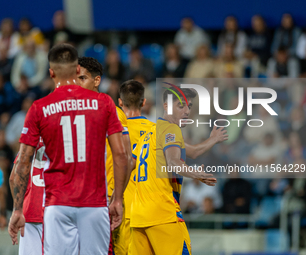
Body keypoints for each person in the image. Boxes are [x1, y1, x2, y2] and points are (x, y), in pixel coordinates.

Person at [8, 44, 128, 255]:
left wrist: (18, 209)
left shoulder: (39, 107)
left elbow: (23, 162)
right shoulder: (103, 103)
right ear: (76, 70)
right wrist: (117, 199)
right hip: (94, 203)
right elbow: (121, 155)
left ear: (51, 72)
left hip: (57, 205)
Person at [129, 87, 223, 254]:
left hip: (138, 217)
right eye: (181, 106)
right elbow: (173, 162)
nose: (187, 111)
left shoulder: (149, 134)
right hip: (163, 214)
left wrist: (213, 139)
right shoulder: (171, 129)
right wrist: (197, 175)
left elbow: (192, 152)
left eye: (189, 106)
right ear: (166, 106)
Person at [77, 56, 133, 255]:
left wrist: (116, 196)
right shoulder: (74, 114)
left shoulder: (113, 113)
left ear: (97, 81)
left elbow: (128, 159)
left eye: (82, 78)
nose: (77, 84)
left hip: (103, 200)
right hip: (77, 199)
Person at [115, 80, 154, 254]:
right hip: (150, 212)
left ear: (120, 102)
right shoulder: (156, 131)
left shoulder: (114, 132)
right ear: (144, 102)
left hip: (122, 208)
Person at [9, 138, 46, 255]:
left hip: (30, 211)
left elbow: (13, 178)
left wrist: (18, 209)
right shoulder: (63, 140)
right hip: (58, 209)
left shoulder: (29, 144)